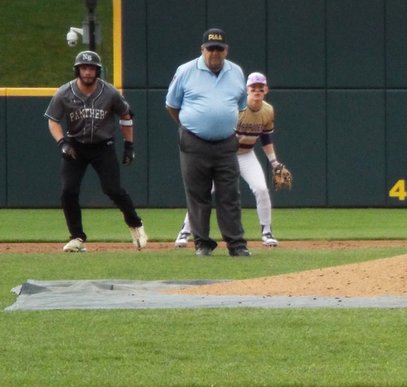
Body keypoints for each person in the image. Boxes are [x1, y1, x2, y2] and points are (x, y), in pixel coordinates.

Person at [44, 50, 147, 252]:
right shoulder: (65, 92)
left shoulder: (109, 92)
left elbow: (126, 115)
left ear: (97, 71)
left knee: (113, 189)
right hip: (76, 146)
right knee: (68, 191)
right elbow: (52, 120)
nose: (88, 72)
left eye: (91, 68)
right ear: (77, 70)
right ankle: (77, 237)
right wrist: (62, 142)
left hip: (103, 146)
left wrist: (129, 145)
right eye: (84, 67)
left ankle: (135, 224)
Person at [165, 27, 251, 257]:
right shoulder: (186, 71)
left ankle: (237, 245)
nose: (215, 53)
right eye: (210, 49)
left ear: (226, 50)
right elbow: (172, 105)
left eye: (219, 49)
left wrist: (223, 123)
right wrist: (190, 125)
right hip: (194, 141)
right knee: (198, 194)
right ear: (202, 49)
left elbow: (240, 105)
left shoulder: (236, 72)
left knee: (230, 195)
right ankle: (202, 244)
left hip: (225, 142)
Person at [175, 71, 284, 248]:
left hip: (247, 155)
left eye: (260, 87)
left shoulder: (268, 110)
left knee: (262, 189)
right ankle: (185, 231)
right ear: (246, 90)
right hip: (226, 155)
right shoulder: (238, 109)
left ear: (266, 90)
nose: (257, 90)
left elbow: (266, 138)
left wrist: (274, 162)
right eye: (253, 87)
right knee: (204, 192)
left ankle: (267, 232)